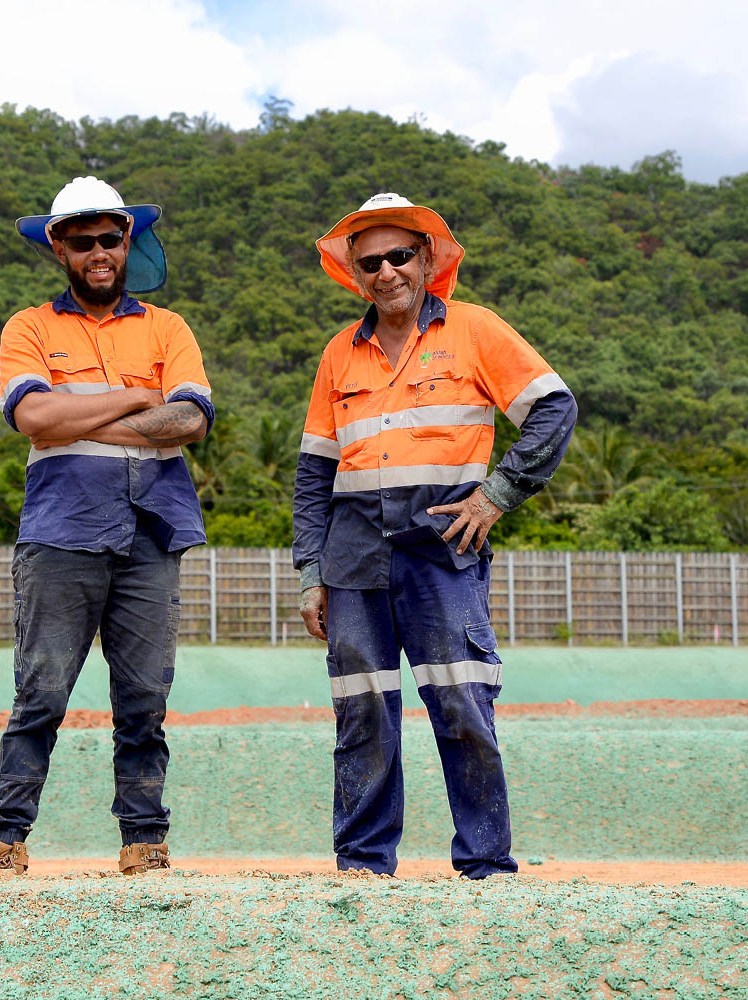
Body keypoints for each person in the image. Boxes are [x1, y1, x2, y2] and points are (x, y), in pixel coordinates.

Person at [292, 192, 577, 879]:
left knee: (461, 702)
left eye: (398, 256)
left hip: (443, 552)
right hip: (354, 557)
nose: (386, 271)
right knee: (362, 711)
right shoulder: (339, 352)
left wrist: (498, 494)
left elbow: (553, 409)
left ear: (426, 259)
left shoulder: (475, 331)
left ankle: (484, 865)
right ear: (354, 273)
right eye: (370, 262)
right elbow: (313, 474)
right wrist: (310, 572)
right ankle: (362, 866)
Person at [0, 176, 214, 875]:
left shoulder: (168, 327)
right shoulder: (29, 328)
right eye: (82, 241)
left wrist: (84, 411)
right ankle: (6, 837)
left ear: (127, 240)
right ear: (60, 249)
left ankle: (143, 841)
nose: (98, 251)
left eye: (110, 238)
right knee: (41, 692)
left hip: (151, 533)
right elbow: (33, 418)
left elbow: (192, 420)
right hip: (61, 532)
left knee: (144, 699)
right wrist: (142, 394)